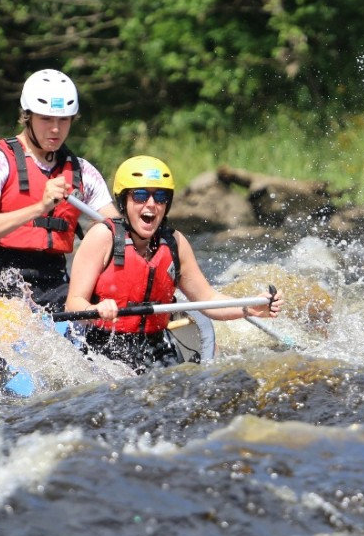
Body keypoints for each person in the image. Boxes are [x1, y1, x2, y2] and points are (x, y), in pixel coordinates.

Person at [65, 155, 283, 373]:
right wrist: (95, 309)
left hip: (156, 346)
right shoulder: (102, 237)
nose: (151, 204)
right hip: (103, 346)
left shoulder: (175, 244)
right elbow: (74, 303)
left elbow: (208, 300)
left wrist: (249, 307)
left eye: (160, 197)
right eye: (140, 195)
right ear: (124, 201)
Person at [0, 69, 120, 310]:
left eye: (63, 120)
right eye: (46, 119)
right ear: (27, 117)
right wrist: (39, 208)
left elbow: (117, 232)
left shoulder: (83, 171)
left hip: (54, 281)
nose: (56, 129)